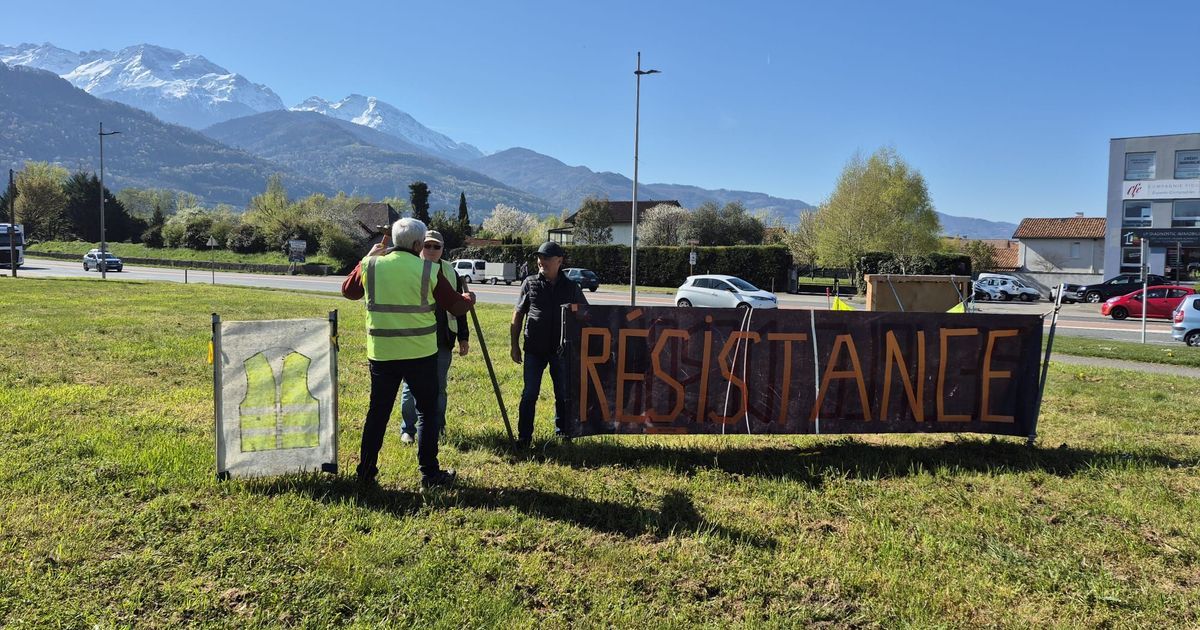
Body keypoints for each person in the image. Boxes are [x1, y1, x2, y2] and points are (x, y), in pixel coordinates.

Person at [342, 218, 475, 488]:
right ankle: (430, 473)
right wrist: (469, 299)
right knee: (427, 411)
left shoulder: (371, 265)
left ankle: (365, 473)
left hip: (382, 353)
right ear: (417, 244)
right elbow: (455, 307)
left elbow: (348, 292)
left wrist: (365, 259)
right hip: (420, 353)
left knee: (377, 413)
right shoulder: (427, 269)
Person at [510, 241, 588, 448]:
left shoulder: (572, 287)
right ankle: (524, 437)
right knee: (529, 394)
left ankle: (563, 433)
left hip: (561, 352)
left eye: (546, 258)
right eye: (539, 257)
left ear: (559, 261)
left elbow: (585, 315)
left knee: (562, 394)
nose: (541, 261)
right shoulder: (530, 283)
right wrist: (514, 345)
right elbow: (518, 314)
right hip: (534, 350)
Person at [397, 230, 469, 444]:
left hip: (442, 340)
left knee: (439, 387)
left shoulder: (450, 271)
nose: (431, 250)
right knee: (411, 388)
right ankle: (408, 430)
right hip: (414, 339)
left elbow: (459, 307)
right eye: (427, 245)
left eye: (436, 246)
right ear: (419, 246)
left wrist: (463, 337)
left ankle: (438, 427)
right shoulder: (410, 268)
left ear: (442, 249)